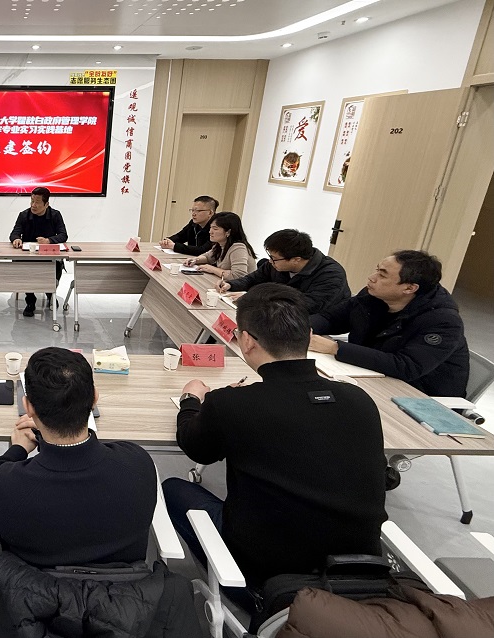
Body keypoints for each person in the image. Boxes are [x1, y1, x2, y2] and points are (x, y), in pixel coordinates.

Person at [162, 284, 387, 601]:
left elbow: (195, 446)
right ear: (309, 335)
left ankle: (244, 594)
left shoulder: (232, 404)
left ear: (247, 341)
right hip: (360, 573)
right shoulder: (358, 399)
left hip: (271, 581)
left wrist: (191, 400)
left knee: (172, 488)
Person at [0, 347, 156, 567]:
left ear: (28, 407)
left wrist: (17, 449)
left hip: (34, 588)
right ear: (94, 398)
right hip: (125, 587)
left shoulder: (9, 488)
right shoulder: (138, 464)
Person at [310, 250, 469, 397]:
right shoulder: (372, 296)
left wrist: (335, 348)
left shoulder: (443, 321)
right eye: (377, 270)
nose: (372, 277)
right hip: (367, 377)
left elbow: (406, 366)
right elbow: (330, 318)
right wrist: (302, 329)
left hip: (419, 396)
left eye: (382, 275)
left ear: (409, 288)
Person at [219, 229, 351, 313]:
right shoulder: (276, 263)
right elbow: (253, 279)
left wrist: (256, 298)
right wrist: (230, 284)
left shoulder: (331, 274)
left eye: (274, 258)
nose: (270, 261)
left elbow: (307, 305)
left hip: (317, 322)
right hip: (278, 312)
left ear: (296, 259)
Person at [9, 187, 68, 317]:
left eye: (37, 202)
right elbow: (14, 233)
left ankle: (50, 293)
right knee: (22, 267)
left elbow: (63, 235)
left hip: (48, 254)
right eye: (32, 201)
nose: (33, 205)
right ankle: (30, 300)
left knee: (57, 264)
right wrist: (16, 239)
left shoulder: (55, 215)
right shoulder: (24, 215)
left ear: (46, 204)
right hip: (28, 255)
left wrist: (49, 240)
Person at [183, 211, 257, 280]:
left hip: (244, 288)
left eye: (215, 229)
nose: (210, 232)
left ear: (228, 232)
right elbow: (208, 257)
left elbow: (238, 276)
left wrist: (212, 269)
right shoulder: (220, 244)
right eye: (210, 228)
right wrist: (195, 260)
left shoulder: (238, 247)